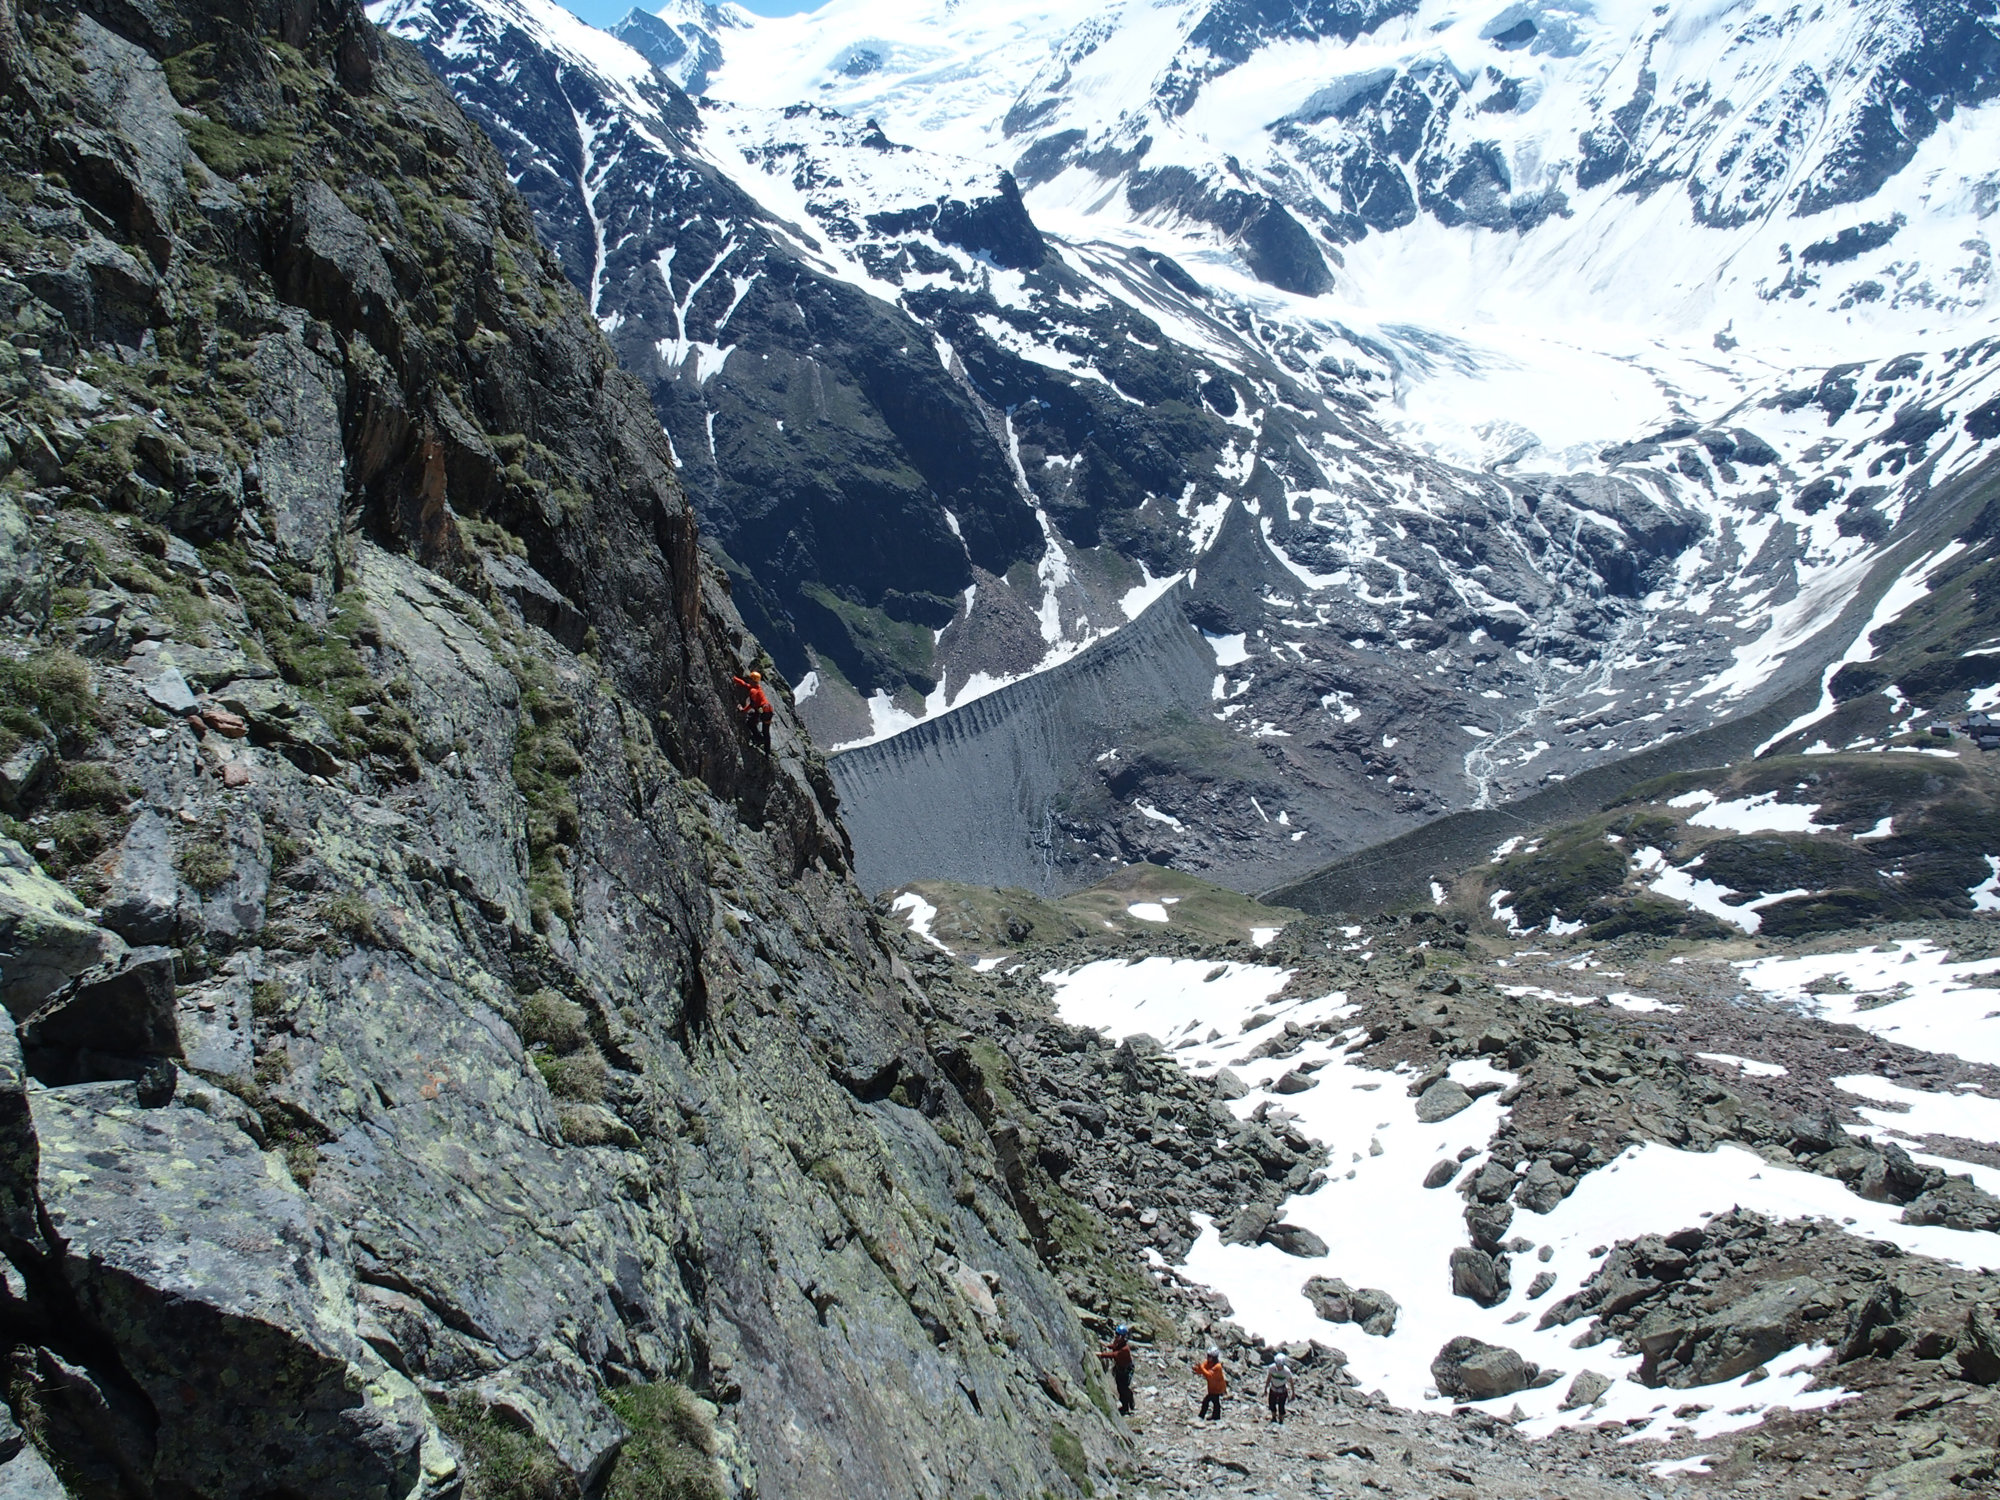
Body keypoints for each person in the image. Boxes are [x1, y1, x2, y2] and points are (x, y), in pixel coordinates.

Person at [731, 669, 773, 752]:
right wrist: (735, 679)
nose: (748, 680)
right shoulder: (757, 687)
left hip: (763, 711)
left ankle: (759, 739)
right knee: (765, 731)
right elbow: (746, 685)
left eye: (750, 679)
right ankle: (766, 751)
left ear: (752, 680)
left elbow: (752, 704)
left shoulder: (753, 691)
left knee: (751, 723)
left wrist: (743, 710)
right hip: (767, 710)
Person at [1099, 1324, 1135, 1415]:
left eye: (1119, 1335)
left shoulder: (1125, 1349)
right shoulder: (1119, 1342)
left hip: (1126, 1370)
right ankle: (1129, 1398)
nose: (1117, 1336)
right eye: (1117, 1334)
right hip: (1120, 1369)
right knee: (1120, 1387)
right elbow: (1114, 1346)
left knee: (1122, 1388)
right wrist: (1107, 1345)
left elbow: (1114, 1354)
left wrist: (1100, 1354)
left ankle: (1125, 1407)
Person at [1193, 1347, 1226, 1422]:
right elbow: (1202, 1370)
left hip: (1217, 1388)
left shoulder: (1218, 1367)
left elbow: (1209, 1375)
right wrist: (1197, 1369)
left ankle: (1201, 1416)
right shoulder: (1207, 1363)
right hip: (1211, 1387)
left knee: (1207, 1401)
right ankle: (1216, 1416)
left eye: (1210, 1356)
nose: (1208, 1358)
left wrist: (1201, 1368)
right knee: (1215, 1402)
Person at [1265, 1352, 1292, 1424]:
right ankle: (1273, 1417)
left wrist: (1293, 1393)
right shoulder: (1271, 1368)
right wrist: (1265, 1388)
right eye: (1277, 1364)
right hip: (1273, 1388)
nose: (1278, 1366)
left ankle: (1281, 1420)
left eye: (1279, 1365)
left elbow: (1291, 1382)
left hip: (1282, 1390)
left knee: (1281, 1406)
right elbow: (1269, 1378)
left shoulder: (1287, 1372)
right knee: (1272, 1403)